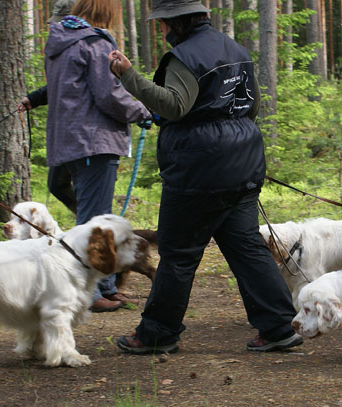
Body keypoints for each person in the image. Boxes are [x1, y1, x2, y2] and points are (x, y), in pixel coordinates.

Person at [107, 0, 303, 354]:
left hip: (199, 171)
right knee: (246, 247)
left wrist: (128, 76)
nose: (161, 30)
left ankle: (157, 334)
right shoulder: (235, 49)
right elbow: (253, 105)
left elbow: (173, 106)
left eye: (162, 23)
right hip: (243, 163)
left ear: (177, 22)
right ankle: (278, 326)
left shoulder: (185, 57)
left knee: (178, 253)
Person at [42, 0, 152, 312]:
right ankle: (87, 294)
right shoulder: (95, 43)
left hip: (70, 141)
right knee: (93, 224)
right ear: (106, 12)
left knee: (96, 218)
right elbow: (109, 95)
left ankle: (105, 286)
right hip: (95, 141)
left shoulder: (61, 43)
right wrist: (144, 111)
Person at [18, 0, 78, 215]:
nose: (56, 27)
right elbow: (62, 85)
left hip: (86, 134)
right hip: (66, 133)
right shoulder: (63, 49)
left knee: (83, 187)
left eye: (61, 22)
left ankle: (94, 225)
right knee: (56, 184)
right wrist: (34, 99)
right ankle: (86, 221)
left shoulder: (90, 46)